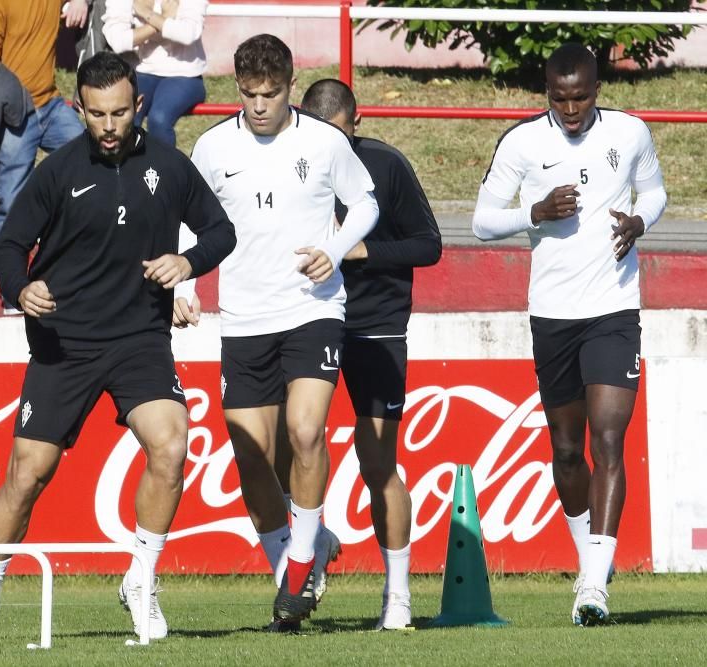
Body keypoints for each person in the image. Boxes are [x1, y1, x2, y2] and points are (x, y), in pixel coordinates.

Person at [0, 51, 236, 642]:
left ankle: (141, 579)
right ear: (78, 109)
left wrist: (187, 262)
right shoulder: (56, 172)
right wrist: (21, 287)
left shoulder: (170, 165)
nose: (109, 126)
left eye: (120, 112)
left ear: (138, 106)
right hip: (66, 342)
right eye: (96, 115)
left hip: (140, 339)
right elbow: (8, 247)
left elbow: (222, 232)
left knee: (172, 442)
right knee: (28, 474)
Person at [175, 34, 379, 631]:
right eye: (248, 94)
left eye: (270, 93)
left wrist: (335, 250)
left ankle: (296, 575)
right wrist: (185, 288)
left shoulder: (324, 142)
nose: (260, 105)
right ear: (236, 88)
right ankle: (298, 563)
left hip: (311, 308)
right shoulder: (212, 148)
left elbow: (364, 204)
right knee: (251, 456)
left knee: (305, 429)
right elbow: (191, 225)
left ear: (291, 85)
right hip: (243, 316)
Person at [472, 42, 666, 627]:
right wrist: (534, 213)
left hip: (613, 308)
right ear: (547, 93)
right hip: (552, 314)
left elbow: (654, 191)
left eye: (581, 96)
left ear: (598, 89)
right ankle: (591, 565)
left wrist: (639, 220)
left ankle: (593, 589)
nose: (571, 107)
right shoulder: (522, 143)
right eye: (560, 98)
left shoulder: (630, 133)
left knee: (609, 442)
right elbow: (482, 222)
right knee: (566, 451)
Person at [275, 78, 441, 630]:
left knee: (377, 463)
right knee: (286, 446)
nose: (329, 147)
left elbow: (429, 245)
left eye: (339, 134)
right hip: (306, 318)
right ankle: (315, 538)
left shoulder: (386, 167)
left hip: (374, 326)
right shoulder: (283, 156)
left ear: (358, 122)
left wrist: (364, 248)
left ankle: (397, 600)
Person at [0, 0, 86, 309]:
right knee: (10, 202)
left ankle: (85, 275)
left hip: (50, 104)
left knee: (92, 164)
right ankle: (12, 295)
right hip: (14, 109)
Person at [102, 0, 207, 146]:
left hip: (186, 74)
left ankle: (166, 168)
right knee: (125, 117)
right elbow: (118, 40)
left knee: (159, 119)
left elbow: (188, 34)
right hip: (142, 70)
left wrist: (148, 15)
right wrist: (160, 20)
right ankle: (127, 166)